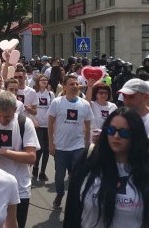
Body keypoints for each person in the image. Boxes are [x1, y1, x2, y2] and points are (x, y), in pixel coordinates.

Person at [0, 91, 39, 228]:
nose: (2, 120)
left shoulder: (24, 123)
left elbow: (31, 157)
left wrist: (1, 151)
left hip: (20, 189)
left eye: (7, 117)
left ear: (15, 109)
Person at [47, 74, 93, 209]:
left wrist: (86, 145)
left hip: (77, 147)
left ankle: (74, 200)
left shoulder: (84, 104)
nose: (74, 86)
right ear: (65, 87)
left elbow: (88, 126)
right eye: (71, 84)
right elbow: (50, 124)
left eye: (76, 84)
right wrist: (51, 143)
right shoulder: (57, 102)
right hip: (60, 147)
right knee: (59, 177)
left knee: (76, 176)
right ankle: (60, 194)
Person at [32, 75, 53, 181]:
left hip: (48, 125)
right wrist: (34, 121)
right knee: (40, 148)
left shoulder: (50, 94)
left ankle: (42, 172)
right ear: (38, 82)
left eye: (46, 80)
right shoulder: (34, 93)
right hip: (37, 124)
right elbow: (30, 109)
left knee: (47, 149)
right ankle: (35, 166)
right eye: (42, 80)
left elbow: (53, 109)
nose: (44, 81)